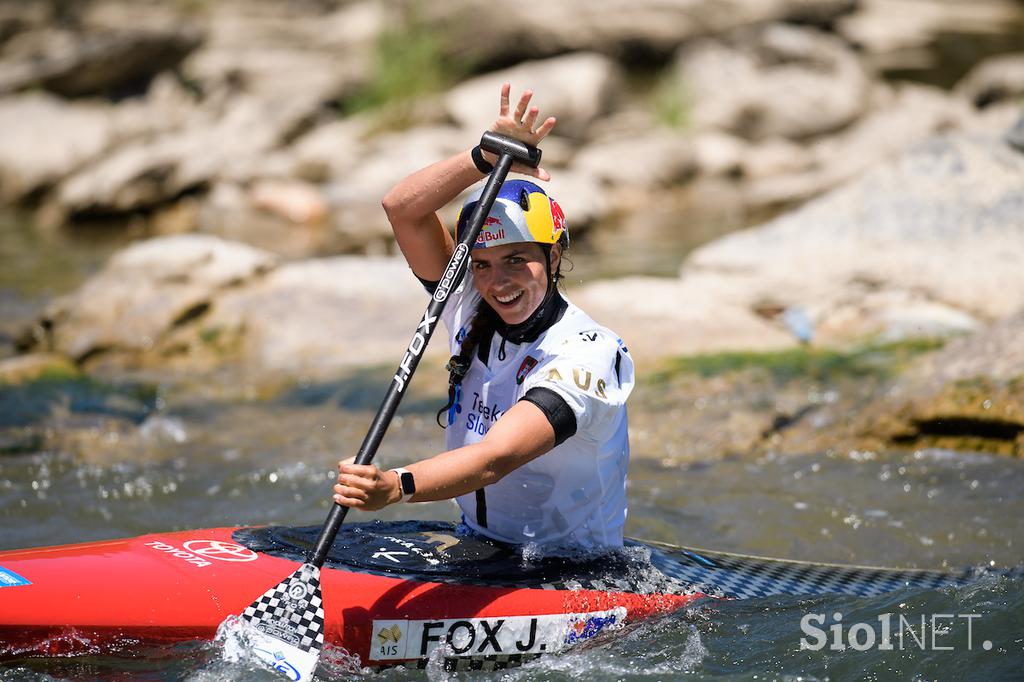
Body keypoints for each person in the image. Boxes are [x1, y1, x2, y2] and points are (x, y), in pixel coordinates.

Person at [333, 83, 634, 549]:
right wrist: (484, 157)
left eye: (517, 259)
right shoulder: (470, 303)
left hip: (569, 571)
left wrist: (396, 486)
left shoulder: (589, 353)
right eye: (483, 264)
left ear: (554, 257)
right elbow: (402, 209)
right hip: (478, 546)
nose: (497, 283)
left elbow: (497, 456)